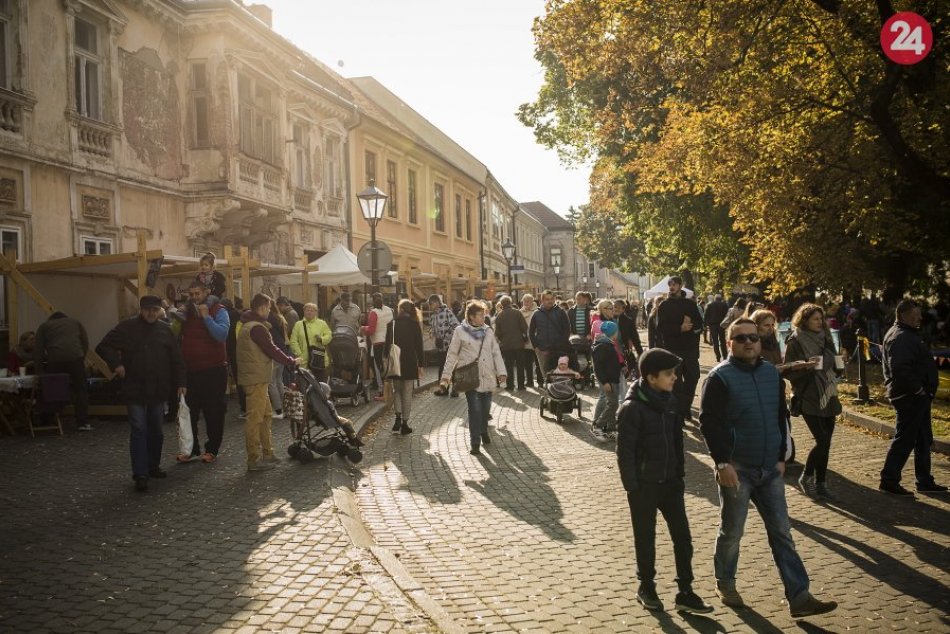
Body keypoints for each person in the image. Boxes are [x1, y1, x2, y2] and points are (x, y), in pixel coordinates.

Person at [700, 318, 837, 618]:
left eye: (753, 337)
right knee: (733, 531)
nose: (748, 342)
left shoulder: (771, 375)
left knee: (782, 533)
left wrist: (780, 457)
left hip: (769, 470)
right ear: (729, 343)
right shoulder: (718, 378)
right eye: (740, 338)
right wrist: (722, 463)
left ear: (761, 341)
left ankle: (799, 597)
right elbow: (709, 424)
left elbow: (780, 416)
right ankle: (725, 582)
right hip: (737, 469)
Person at [617, 347, 713, 614]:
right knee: (645, 539)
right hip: (644, 487)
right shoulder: (631, 409)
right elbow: (624, 452)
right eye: (669, 374)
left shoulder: (670, 401)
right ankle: (647, 587)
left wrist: (679, 476)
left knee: (683, 537)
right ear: (650, 377)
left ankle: (685, 591)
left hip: (671, 483)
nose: (674, 378)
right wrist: (632, 486)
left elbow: (676, 442)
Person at [97, 296, 186, 492]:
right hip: (134, 386)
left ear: (160, 311)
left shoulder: (165, 329)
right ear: (141, 310)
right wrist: (116, 364)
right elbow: (103, 346)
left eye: (155, 309)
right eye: (148, 310)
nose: (151, 313)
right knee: (139, 429)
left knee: (156, 429)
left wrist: (181, 382)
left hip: (158, 387)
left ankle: (152, 466)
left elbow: (176, 358)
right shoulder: (126, 327)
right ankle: (140, 473)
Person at [879, 300, 947, 495]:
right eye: (916, 315)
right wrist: (918, 390)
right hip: (909, 397)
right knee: (905, 438)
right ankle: (889, 479)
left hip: (917, 396)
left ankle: (924, 480)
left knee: (923, 439)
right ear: (903, 315)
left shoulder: (906, 334)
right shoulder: (900, 337)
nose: (920, 318)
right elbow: (900, 368)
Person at [783, 304, 842, 500]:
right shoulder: (795, 341)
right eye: (815, 319)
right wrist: (808, 367)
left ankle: (821, 483)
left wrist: (840, 366)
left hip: (828, 393)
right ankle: (806, 477)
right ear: (805, 320)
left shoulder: (825, 337)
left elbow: (837, 359)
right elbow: (789, 372)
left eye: (821, 318)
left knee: (826, 442)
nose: (820, 322)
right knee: (822, 440)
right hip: (808, 395)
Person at [237, 293, 298, 472]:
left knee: (266, 416)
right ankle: (254, 459)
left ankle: (268, 453)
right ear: (263, 307)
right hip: (256, 378)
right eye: (269, 308)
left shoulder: (249, 325)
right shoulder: (256, 328)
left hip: (258, 377)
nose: (270, 312)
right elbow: (270, 349)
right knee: (255, 419)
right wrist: (289, 360)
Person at [439, 301, 506, 455]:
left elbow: (496, 352)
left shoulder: (488, 331)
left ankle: (483, 431)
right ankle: (475, 442)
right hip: (470, 378)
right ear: (471, 317)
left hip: (487, 376)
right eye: (481, 315)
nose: (484, 317)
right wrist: (446, 377)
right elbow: (452, 354)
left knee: (485, 409)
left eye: (484, 314)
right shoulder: (460, 331)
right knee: (475, 410)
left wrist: (501, 372)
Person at [176, 281, 230, 463]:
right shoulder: (186, 313)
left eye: (197, 293)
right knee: (189, 412)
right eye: (191, 294)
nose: (194, 297)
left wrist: (207, 317)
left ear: (206, 292)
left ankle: (212, 448)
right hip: (191, 371)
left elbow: (221, 335)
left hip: (213, 371)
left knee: (213, 412)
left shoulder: (219, 310)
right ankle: (192, 449)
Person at [655, 276, 704, 422]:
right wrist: (679, 328)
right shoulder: (664, 305)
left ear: (680, 285)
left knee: (693, 377)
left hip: (690, 349)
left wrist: (691, 327)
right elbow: (660, 327)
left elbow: (700, 324)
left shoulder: (690, 304)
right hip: (673, 349)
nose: (672, 286)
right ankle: (679, 412)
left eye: (674, 284)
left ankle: (685, 407)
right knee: (676, 382)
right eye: (670, 284)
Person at [34, 311, 92, 432]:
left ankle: (48, 421)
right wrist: (81, 356)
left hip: (55, 360)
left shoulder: (44, 326)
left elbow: (38, 349)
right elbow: (85, 342)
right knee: (81, 390)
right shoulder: (75, 322)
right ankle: (82, 422)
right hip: (76, 359)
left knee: (51, 388)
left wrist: (38, 371)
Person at [385, 299, 424, 435]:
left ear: (400, 310)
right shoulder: (415, 325)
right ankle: (405, 423)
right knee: (407, 393)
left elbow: (386, 346)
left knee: (397, 391)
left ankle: (397, 417)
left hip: (396, 362)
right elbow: (419, 347)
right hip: (410, 362)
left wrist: (385, 362)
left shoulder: (392, 324)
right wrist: (421, 365)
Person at [591, 320, 623, 441]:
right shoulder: (602, 346)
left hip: (612, 379)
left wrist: (621, 366)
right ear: (612, 333)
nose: (617, 334)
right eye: (616, 332)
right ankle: (598, 426)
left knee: (613, 403)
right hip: (609, 381)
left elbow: (611, 363)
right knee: (613, 404)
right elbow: (598, 367)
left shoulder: (608, 344)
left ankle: (611, 429)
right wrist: (604, 382)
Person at [529, 290, 572, 373]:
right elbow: (531, 332)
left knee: (559, 373)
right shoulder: (536, 314)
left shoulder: (561, 312)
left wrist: (562, 344)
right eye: (547, 299)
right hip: (542, 348)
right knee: (546, 373)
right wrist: (536, 347)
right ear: (542, 300)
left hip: (558, 349)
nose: (550, 301)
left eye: (551, 299)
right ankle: (547, 385)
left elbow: (567, 329)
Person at [288, 302, 332, 381]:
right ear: (304, 311)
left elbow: (329, 336)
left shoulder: (322, 324)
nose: (309, 312)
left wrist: (322, 339)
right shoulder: (298, 324)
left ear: (316, 312)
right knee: (304, 384)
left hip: (319, 361)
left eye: (312, 311)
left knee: (320, 385)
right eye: (307, 310)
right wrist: (299, 354)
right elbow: (293, 341)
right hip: (303, 362)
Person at [362, 293, 394, 401]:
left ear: (373, 301)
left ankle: (382, 393)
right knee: (388, 367)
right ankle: (390, 391)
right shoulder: (390, 310)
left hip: (378, 344)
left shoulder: (373, 313)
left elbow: (371, 330)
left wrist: (363, 328)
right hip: (389, 342)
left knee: (379, 369)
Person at [494, 295, 528, 391]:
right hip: (519, 343)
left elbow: (497, 333)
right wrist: (524, 338)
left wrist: (503, 339)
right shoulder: (517, 313)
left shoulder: (499, 316)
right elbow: (524, 327)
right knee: (520, 365)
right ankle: (521, 385)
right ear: (510, 302)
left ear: (501, 304)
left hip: (507, 345)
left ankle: (510, 385)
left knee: (508, 366)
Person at [429, 294, 461, 397]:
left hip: (449, 345)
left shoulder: (447, 312)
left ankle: (455, 390)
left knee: (452, 367)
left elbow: (456, 326)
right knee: (442, 367)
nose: (430, 306)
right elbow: (433, 328)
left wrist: (446, 337)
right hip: (440, 345)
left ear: (437, 302)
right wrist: (432, 333)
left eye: (431, 303)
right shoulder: (433, 315)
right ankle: (443, 389)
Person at [266, 300, 290, 416]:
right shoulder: (279, 317)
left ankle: (278, 409)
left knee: (272, 382)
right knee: (279, 380)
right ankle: (285, 406)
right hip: (282, 350)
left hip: (274, 351)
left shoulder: (268, 318)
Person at [520, 294, 544, 388]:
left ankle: (540, 381)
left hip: (536, 341)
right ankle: (529, 381)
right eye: (524, 301)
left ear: (532, 301)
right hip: (525, 342)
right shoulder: (520, 312)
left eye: (527, 301)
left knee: (538, 362)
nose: (526, 303)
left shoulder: (537, 311)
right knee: (527, 363)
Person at [704, 294, 730, 362]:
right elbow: (727, 315)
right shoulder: (724, 305)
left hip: (713, 325)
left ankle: (718, 357)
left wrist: (706, 324)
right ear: (721, 298)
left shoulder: (710, 305)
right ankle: (725, 356)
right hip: (722, 325)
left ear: (715, 298)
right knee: (722, 341)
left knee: (715, 342)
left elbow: (706, 315)